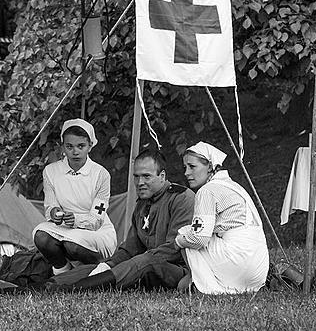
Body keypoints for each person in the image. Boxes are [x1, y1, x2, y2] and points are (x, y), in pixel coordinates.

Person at [48, 149, 195, 291]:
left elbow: (174, 249)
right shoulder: (143, 203)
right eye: (136, 176)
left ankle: (74, 289)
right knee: (97, 267)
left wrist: (133, 262)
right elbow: (131, 248)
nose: (140, 182)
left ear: (162, 176)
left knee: (142, 262)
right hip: (144, 266)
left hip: (177, 271)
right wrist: (108, 265)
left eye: (146, 176)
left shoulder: (181, 198)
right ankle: (48, 285)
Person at [175, 141, 269, 294]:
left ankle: (203, 284)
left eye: (192, 167)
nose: (186, 173)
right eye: (185, 167)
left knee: (185, 233)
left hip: (238, 261)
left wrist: (177, 242)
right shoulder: (233, 186)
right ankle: (211, 282)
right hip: (257, 271)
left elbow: (199, 239)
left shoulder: (207, 191)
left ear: (210, 167)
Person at [33, 119, 115, 275]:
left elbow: (97, 218)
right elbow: (50, 206)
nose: (75, 152)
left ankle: (98, 271)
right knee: (41, 236)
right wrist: (54, 213)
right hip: (63, 227)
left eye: (81, 146)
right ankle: (63, 271)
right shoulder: (50, 172)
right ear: (63, 146)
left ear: (90, 145)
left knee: (73, 244)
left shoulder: (101, 175)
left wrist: (76, 220)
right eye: (69, 146)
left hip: (95, 231)